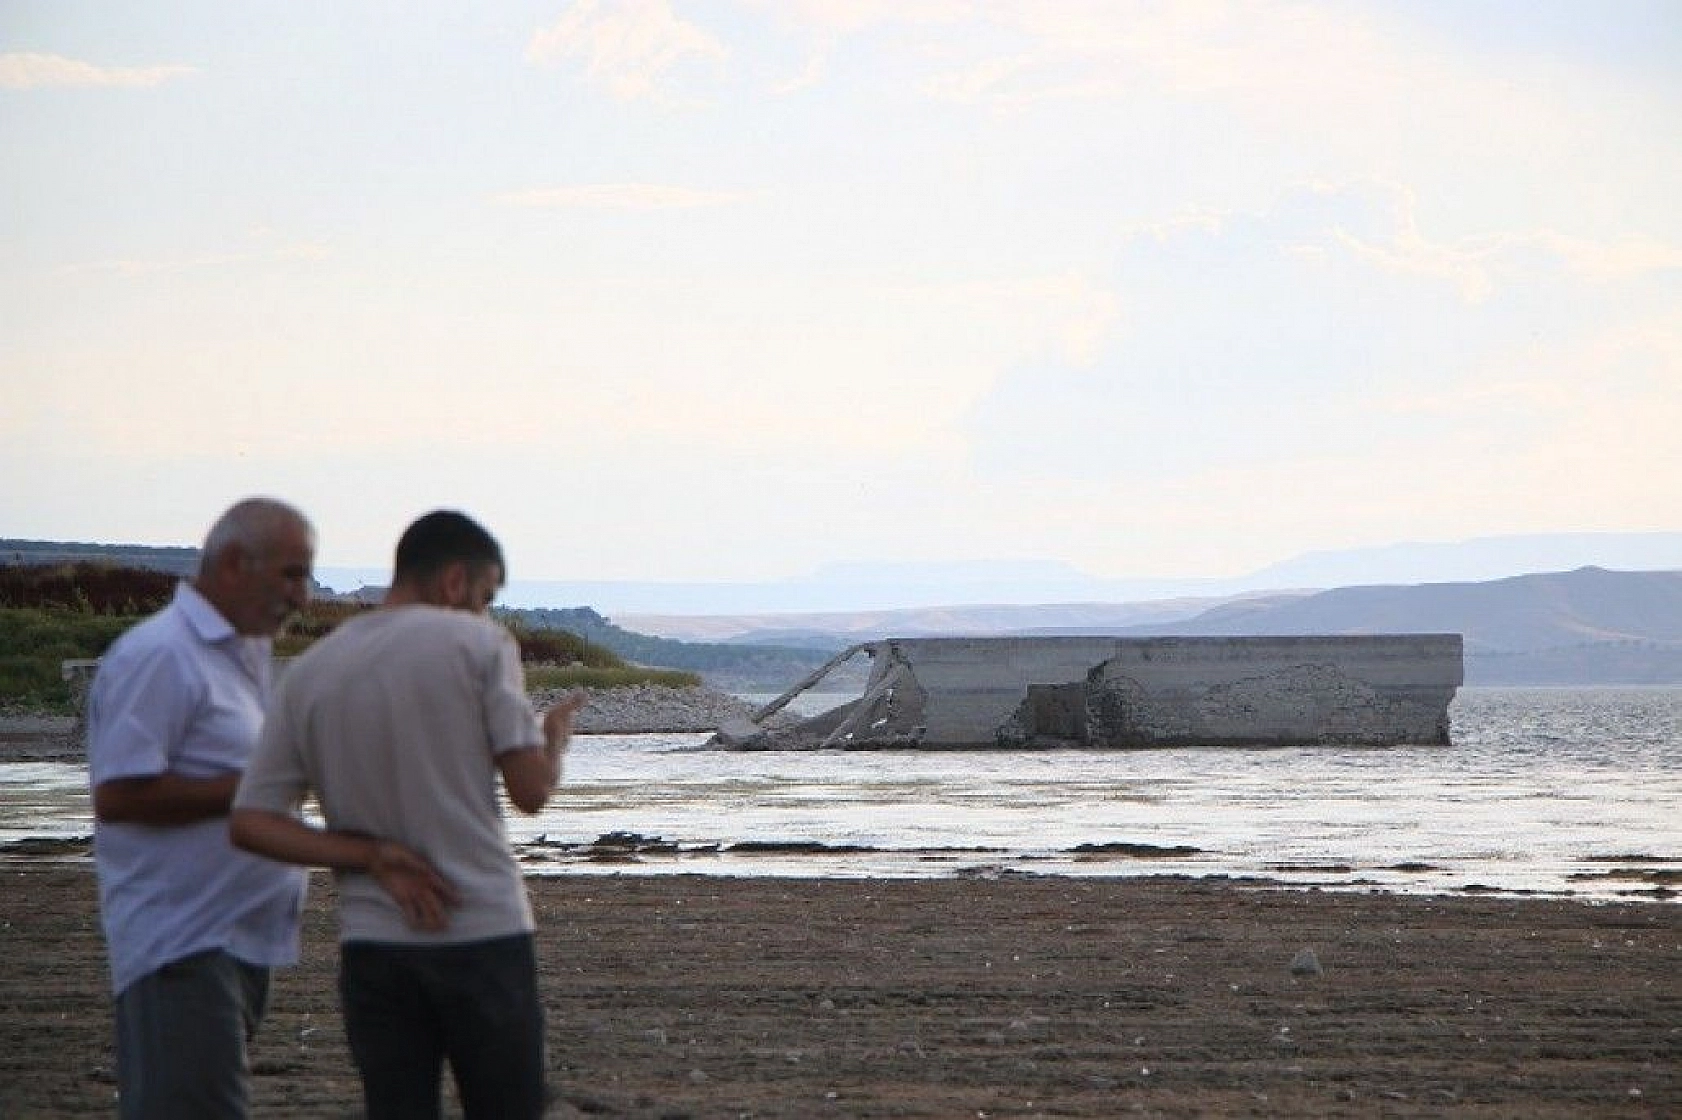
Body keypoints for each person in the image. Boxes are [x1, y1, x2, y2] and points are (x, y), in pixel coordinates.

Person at [230, 509, 582, 1120]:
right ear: (453, 581)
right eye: (484, 595)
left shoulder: (310, 672)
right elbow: (529, 793)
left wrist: (369, 854)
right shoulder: (480, 645)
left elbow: (253, 821)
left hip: (374, 940)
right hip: (484, 931)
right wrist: (552, 740)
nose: (484, 611)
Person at [87, 497, 316, 1119]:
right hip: (182, 943)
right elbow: (117, 795)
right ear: (237, 563)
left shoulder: (239, 658)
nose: (305, 597)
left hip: (238, 943)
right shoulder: (162, 654)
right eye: (292, 574)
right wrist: (262, 783)